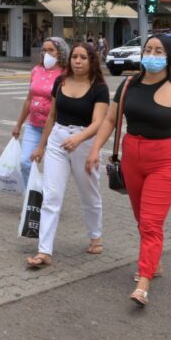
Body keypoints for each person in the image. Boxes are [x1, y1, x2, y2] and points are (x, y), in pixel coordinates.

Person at [86, 34, 171, 307]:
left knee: (150, 222)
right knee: (142, 219)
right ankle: (154, 262)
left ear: (169, 56)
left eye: (158, 50)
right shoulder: (128, 85)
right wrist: (94, 150)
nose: (152, 54)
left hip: (166, 160)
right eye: (148, 49)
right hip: (132, 158)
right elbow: (111, 119)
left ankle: (144, 280)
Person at [25, 43, 108, 269]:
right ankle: (44, 251)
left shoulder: (99, 88)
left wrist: (80, 140)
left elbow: (99, 121)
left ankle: (95, 236)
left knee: (89, 193)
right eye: (74, 57)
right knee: (51, 196)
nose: (77, 61)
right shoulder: (60, 82)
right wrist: (41, 146)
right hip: (57, 140)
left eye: (83, 58)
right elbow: (52, 116)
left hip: (84, 141)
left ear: (91, 62)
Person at [12, 37, 69, 189]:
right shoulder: (36, 70)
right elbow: (29, 99)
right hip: (34, 125)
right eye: (44, 49)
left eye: (51, 50)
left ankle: (46, 199)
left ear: (60, 53)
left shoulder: (65, 74)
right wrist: (18, 124)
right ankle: (31, 199)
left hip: (55, 128)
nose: (46, 53)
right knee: (25, 162)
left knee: (52, 169)